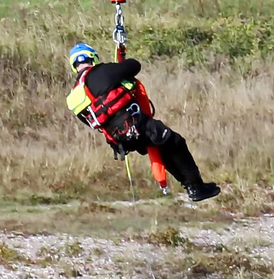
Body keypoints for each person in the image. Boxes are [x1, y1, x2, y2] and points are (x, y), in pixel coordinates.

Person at [66, 43, 220, 202]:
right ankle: (197, 188)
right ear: (93, 57)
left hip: (119, 140)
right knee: (176, 142)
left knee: (162, 148)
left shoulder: (75, 96)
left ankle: (191, 186)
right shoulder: (102, 71)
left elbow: (91, 122)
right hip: (137, 125)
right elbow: (134, 66)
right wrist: (121, 64)